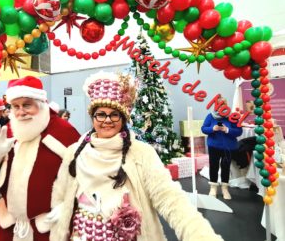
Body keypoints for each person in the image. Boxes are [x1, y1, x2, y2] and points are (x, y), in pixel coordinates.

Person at [48, 71, 223, 241]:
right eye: (100, 114)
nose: (107, 120)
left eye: (114, 114)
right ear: (93, 117)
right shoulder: (75, 152)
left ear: (123, 118)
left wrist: (200, 235)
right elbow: (60, 197)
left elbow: (171, 199)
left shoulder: (141, 153)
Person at [0, 76, 81, 241]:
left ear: (41, 104)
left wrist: (68, 206)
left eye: (27, 105)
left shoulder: (64, 131)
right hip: (10, 225)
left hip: (50, 226)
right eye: (15, 106)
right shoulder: (8, 131)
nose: (20, 112)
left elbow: (83, 174)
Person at [201, 96, 243, 200]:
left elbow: (239, 131)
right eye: (218, 104)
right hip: (214, 147)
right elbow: (203, 129)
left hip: (228, 147)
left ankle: (225, 189)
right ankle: (213, 188)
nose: (220, 106)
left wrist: (227, 130)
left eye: (223, 104)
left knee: (226, 167)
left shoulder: (233, 117)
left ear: (226, 105)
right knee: (214, 167)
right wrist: (212, 128)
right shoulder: (210, 116)